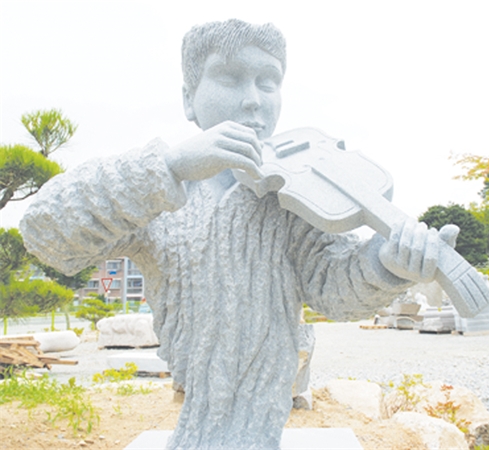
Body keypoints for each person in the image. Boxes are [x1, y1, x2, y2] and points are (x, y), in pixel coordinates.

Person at [21, 19, 457, 450]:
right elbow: (46, 233)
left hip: (265, 413)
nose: (253, 100)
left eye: (268, 82)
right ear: (189, 99)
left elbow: (333, 289)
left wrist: (383, 264)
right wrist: (166, 168)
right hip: (195, 412)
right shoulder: (155, 196)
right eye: (229, 79)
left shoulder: (296, 194)